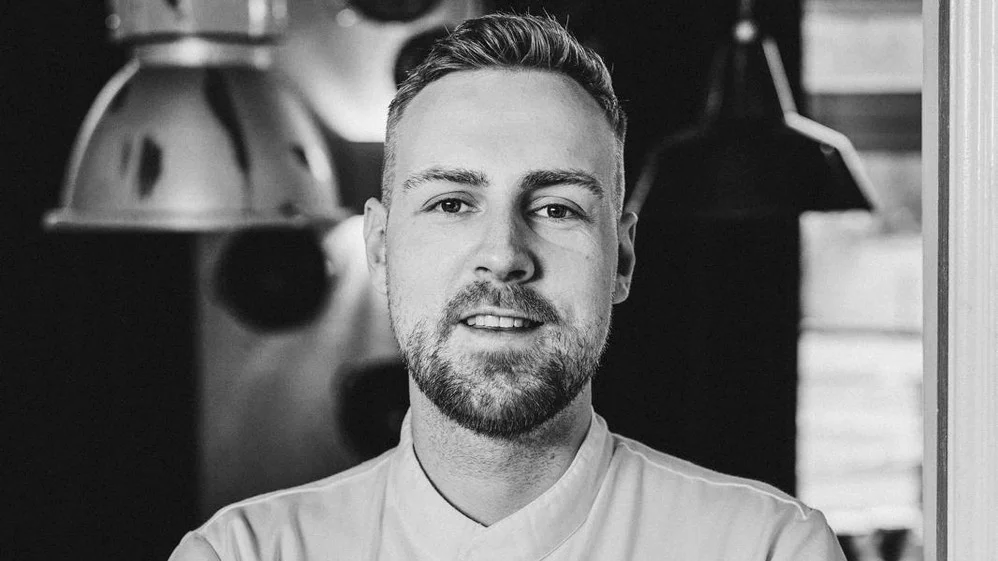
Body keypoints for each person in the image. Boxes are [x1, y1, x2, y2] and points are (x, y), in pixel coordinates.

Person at [169, 13, 846, 561]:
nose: (502, 256)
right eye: (451, 203)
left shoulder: (767, 547)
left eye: (556, 208)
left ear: (622, 259)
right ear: (380, 247)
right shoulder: (240, 553)